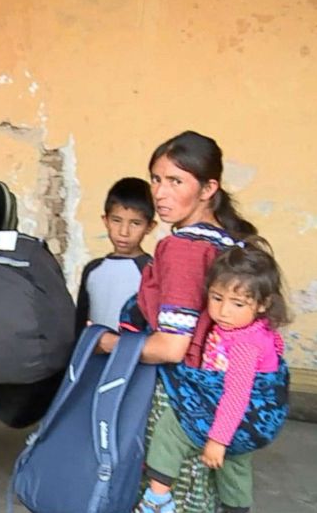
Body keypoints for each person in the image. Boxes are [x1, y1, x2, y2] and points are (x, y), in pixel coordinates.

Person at [97, 130, 260, 513]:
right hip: (219, 397)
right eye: (156, 179)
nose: (160, 193)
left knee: (172, 497)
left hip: (179, 398)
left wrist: (104, 343)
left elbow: (172, 346)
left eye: (176, 181)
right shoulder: (231, 243)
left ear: (207, 189)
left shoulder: (183, 248)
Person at [135, 241, 289, 513]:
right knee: (235, 465)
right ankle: (236, 509)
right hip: (248, 427)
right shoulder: (252, 329)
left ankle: (157, 499)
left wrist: (218, 440)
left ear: (263, 304)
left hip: (241, 417)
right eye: (216, 298)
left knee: (172, 428)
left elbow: (237, 395)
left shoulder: (245, 344)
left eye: (238, 303)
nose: (224, 311)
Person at [75, 177, 156, 335]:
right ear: (105, 221)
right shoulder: (92, 270)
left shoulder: (151, 270)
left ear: (150, 227)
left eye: (135, 223)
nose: (124, 232)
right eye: (116, 220)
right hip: (92, 356)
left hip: (132, 357)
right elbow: (79, 323)